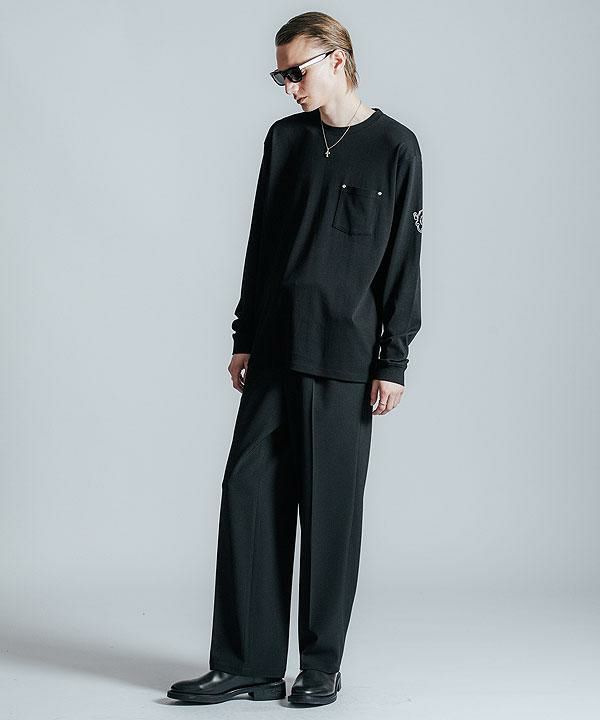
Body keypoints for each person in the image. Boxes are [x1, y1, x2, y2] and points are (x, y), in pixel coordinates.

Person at [167, 10, 423, 707]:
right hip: (277, 348)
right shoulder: (284, 141)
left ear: (336, 59)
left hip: (345, 356)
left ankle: (320, 665)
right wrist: (244, 334)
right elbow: (262, 243)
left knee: (331, 512)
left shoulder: (395, 147)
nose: (287, 86)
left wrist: (392, 359)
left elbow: (404, 260)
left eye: (295, 72)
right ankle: (247, 663)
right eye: (279, 75)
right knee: (248, 498)